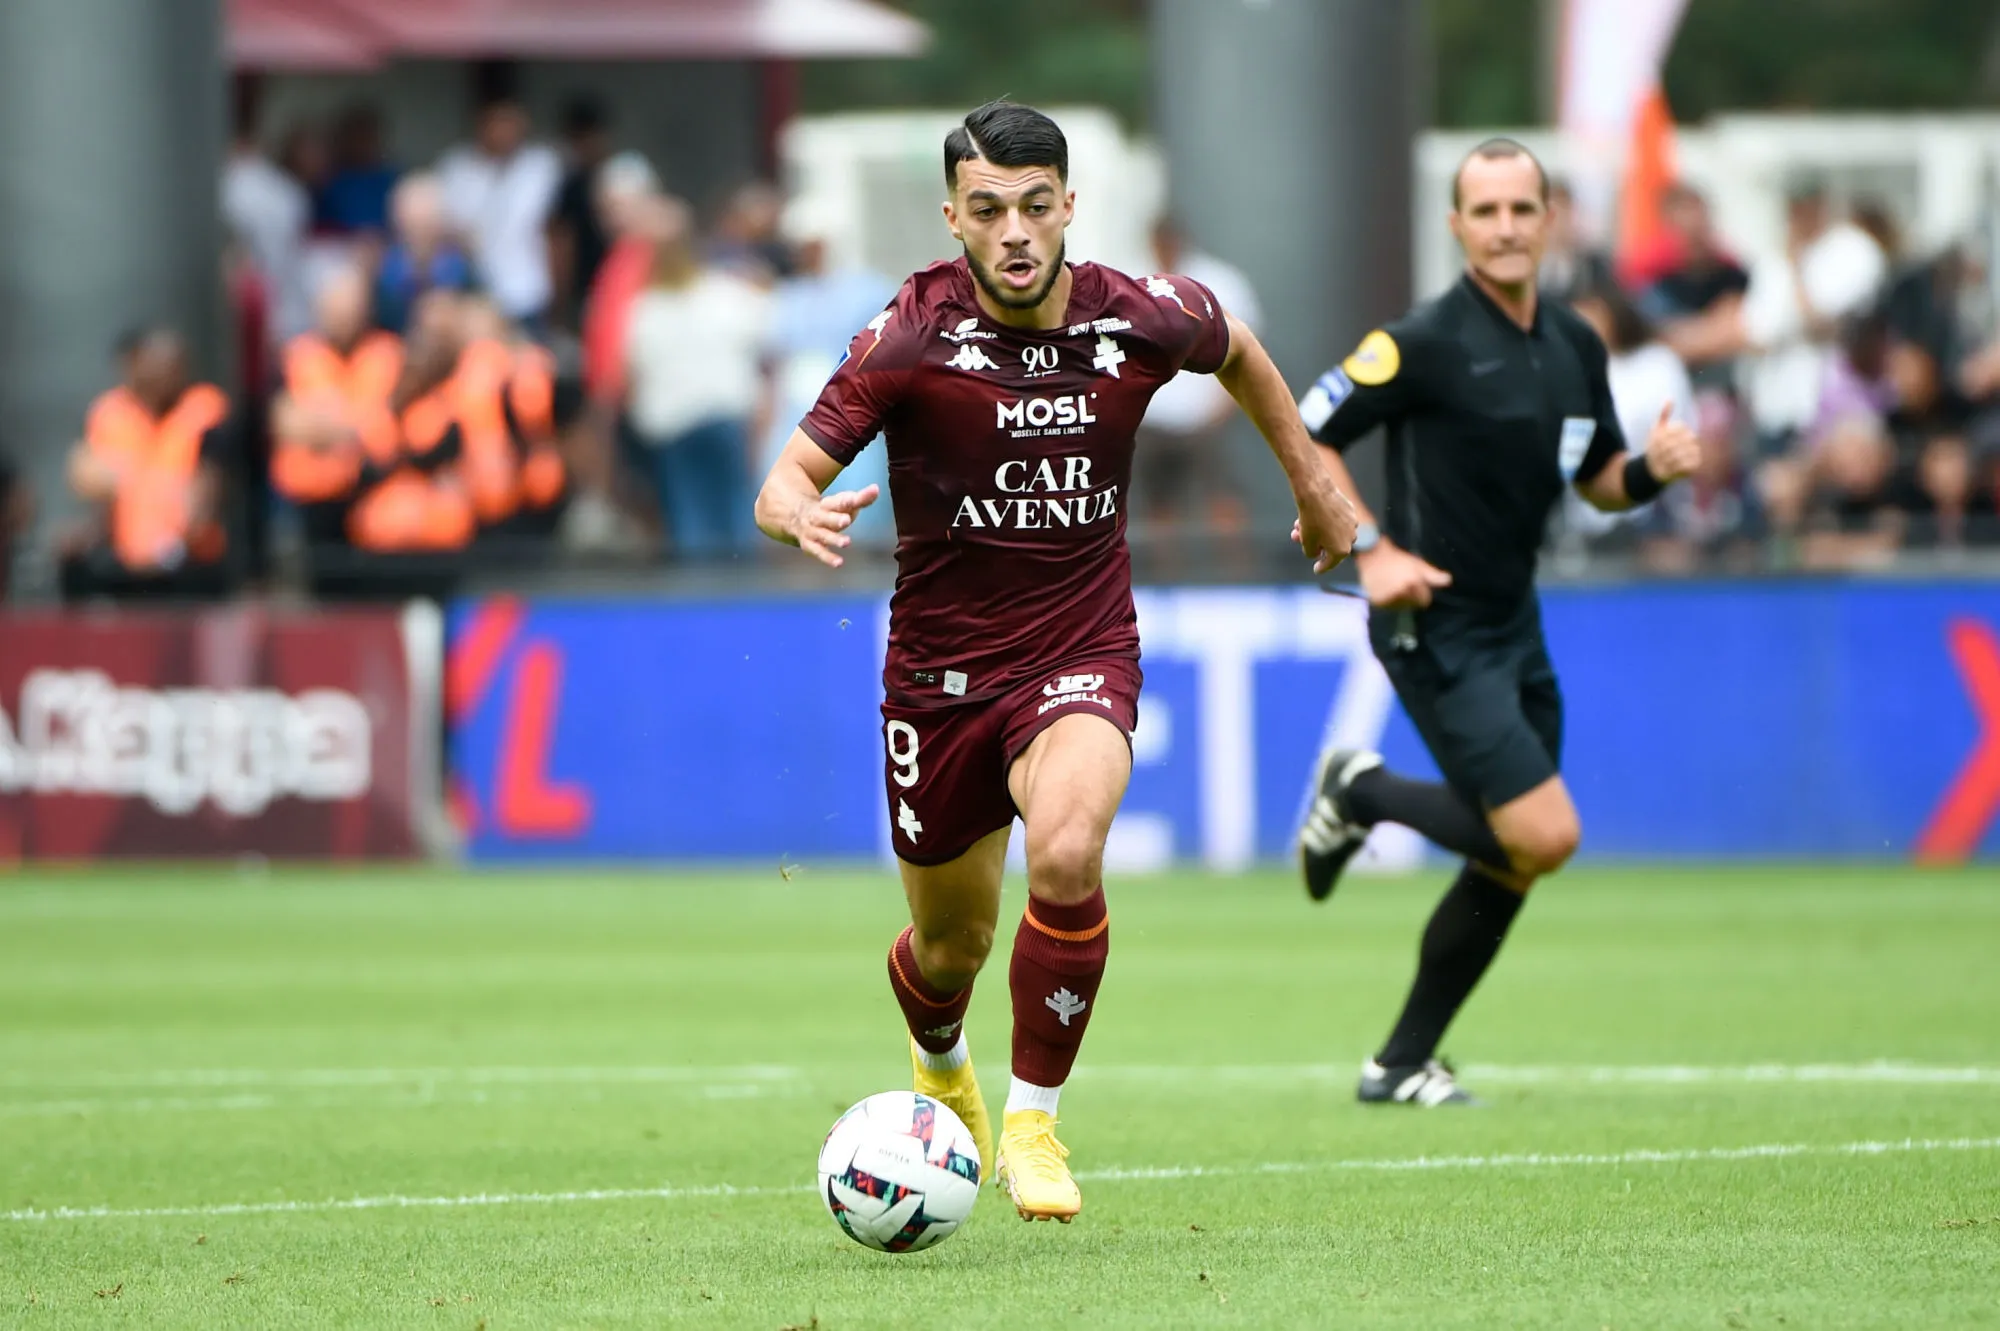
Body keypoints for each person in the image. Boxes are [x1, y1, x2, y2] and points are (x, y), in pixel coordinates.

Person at [754, 101, 1355, 1220]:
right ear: (952, 220)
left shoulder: (1137, 316)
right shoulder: (906, 336)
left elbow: (1234, 346)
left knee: (1068, 851)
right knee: (950, 946)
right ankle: (943, 1067)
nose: (1016, 231)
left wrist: (1313, 481)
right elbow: (779, 479)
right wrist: (798, 514)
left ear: (1070, 205)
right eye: (988, 210)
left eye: (1036, 206)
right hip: (937, 678)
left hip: (1080, 649)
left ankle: (1033, 1115)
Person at [1292, 139, 1700, 1107]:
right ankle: (1363, 789)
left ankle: (1396, 1063)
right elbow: (1306, 428)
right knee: (1543, 833)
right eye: (1485, 211)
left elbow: (1596, 479)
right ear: (1455, 226)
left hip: (1516, 624)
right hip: (1429, 621)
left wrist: (1651, 469)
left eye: (1521, 208)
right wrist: (1370, 548)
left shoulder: (1572, 343)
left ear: (1548, 218)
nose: (1506, 227)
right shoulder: (1422, 339)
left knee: (1507, 859)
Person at [624, 196, 771, 559]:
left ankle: (713, 604)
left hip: (685, 426)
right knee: (729, 519)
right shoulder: (724, 294)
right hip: (712, 421)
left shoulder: (645, 309)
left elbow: (632, 378)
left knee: (697, 524)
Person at [59, 328, 239, 601]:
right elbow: (88, 481)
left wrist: (173, 548)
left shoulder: (204, 408)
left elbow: (209, 489)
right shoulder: (109, 413)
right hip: (128, 563)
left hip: (191, 566)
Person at [1132, 216, 1263, 576]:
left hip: (1204, 418)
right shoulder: (1133, 280)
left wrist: (1223, 409)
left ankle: (1238, 576)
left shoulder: (1216, 282)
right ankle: (1167, 577)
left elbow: (1247, 348)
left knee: (1222, 499)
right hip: (1154, 420)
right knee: (1160, 503)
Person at [438, 94, 563, 329]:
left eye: (510, 122)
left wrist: (557, 296)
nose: (503, 131)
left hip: (528, 290)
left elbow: (556, 233)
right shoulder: (457, 167)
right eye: (496, 122)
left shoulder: (541, 166)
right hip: (475, 295)